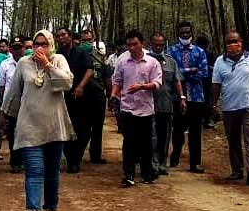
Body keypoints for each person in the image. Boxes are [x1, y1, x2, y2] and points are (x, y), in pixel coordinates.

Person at [0, 30, 74, 211]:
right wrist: (4, 114)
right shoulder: (24, 63)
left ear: (51, 45)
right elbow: (14, 91)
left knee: (52, 172)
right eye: (36, 44)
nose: (39, 48)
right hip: (29, 126)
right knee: (34, 170)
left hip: (54, 127)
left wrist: (47, 66)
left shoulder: (59, 60)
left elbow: (67, 83)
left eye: (44, 44)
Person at [210, 30, 249, 185]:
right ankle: (237, 170)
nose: (232, 45)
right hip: (229, 108)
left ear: (241, 42)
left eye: (235, 41)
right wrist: (214, 105)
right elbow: (216, 85)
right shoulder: (219, 62)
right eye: (229, 42)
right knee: (233, 140)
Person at [111, 29, 162, 187]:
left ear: (142, 44)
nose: (132, 48)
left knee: (146, 143)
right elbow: (117, 81)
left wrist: (142, 86)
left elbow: (157, 84)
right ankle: (128, 174)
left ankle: (147, 173)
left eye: (135, 44)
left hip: (146, 109)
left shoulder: (153, 63)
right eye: (129, 45)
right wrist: (114, 96)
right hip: (127, 108)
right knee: (129, 142)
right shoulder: (122, 62)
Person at [64, 28, 106, 172]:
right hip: (66, 96)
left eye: (90, 40)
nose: (87, 43)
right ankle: (72, 159)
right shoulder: (59, 54)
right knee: (69, 128)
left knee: (86, 129)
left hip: (90, 95)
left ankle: (82, 156)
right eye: (84, 40)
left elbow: (94, 71)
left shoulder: (98, 55)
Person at [169, 21, 208, 172]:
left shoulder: (199, 51)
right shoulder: (171, 51)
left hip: (197, 97)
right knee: (178, 128)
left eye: (188, 32)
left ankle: (195, 162)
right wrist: (191, 70)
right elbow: (172, 73)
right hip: (177, 97)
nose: (185, 35)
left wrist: (183, 73)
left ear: (192, 32)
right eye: (183, 32)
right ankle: (175, 155)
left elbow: (203, 73)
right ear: (178, 33)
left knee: (195, 131)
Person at [148, 32, 184, 176]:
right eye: (155, 44)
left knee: (164, 136)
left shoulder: (170, 61)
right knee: (151, 137)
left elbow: (177, 81)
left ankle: (162, 163)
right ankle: (152, 163)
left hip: (166, 105)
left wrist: (181, 98)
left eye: (161, 44)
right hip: (148, 106)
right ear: (150, 44)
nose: (158, 47)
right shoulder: (145, 60)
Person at [0, 36, 30, 172]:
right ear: (11, 49)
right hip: (11, 105)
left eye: (19, 47)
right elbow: (1, 87)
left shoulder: (31, 63)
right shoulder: (5, 64)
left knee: (27, 133)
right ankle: (15, 161)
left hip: (28, 105)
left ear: (23, 48)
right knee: (13, 134)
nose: (17, 50)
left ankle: (25, 161)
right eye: (14, 48)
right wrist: (0, 108)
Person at [197, 34, 218, 129]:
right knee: (201, 102)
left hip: (207, 81)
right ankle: (203, 120)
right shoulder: (195, 54)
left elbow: (214, 68)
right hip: (199, 81)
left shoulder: (209, 54)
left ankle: (206, 120)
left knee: (206, 101)